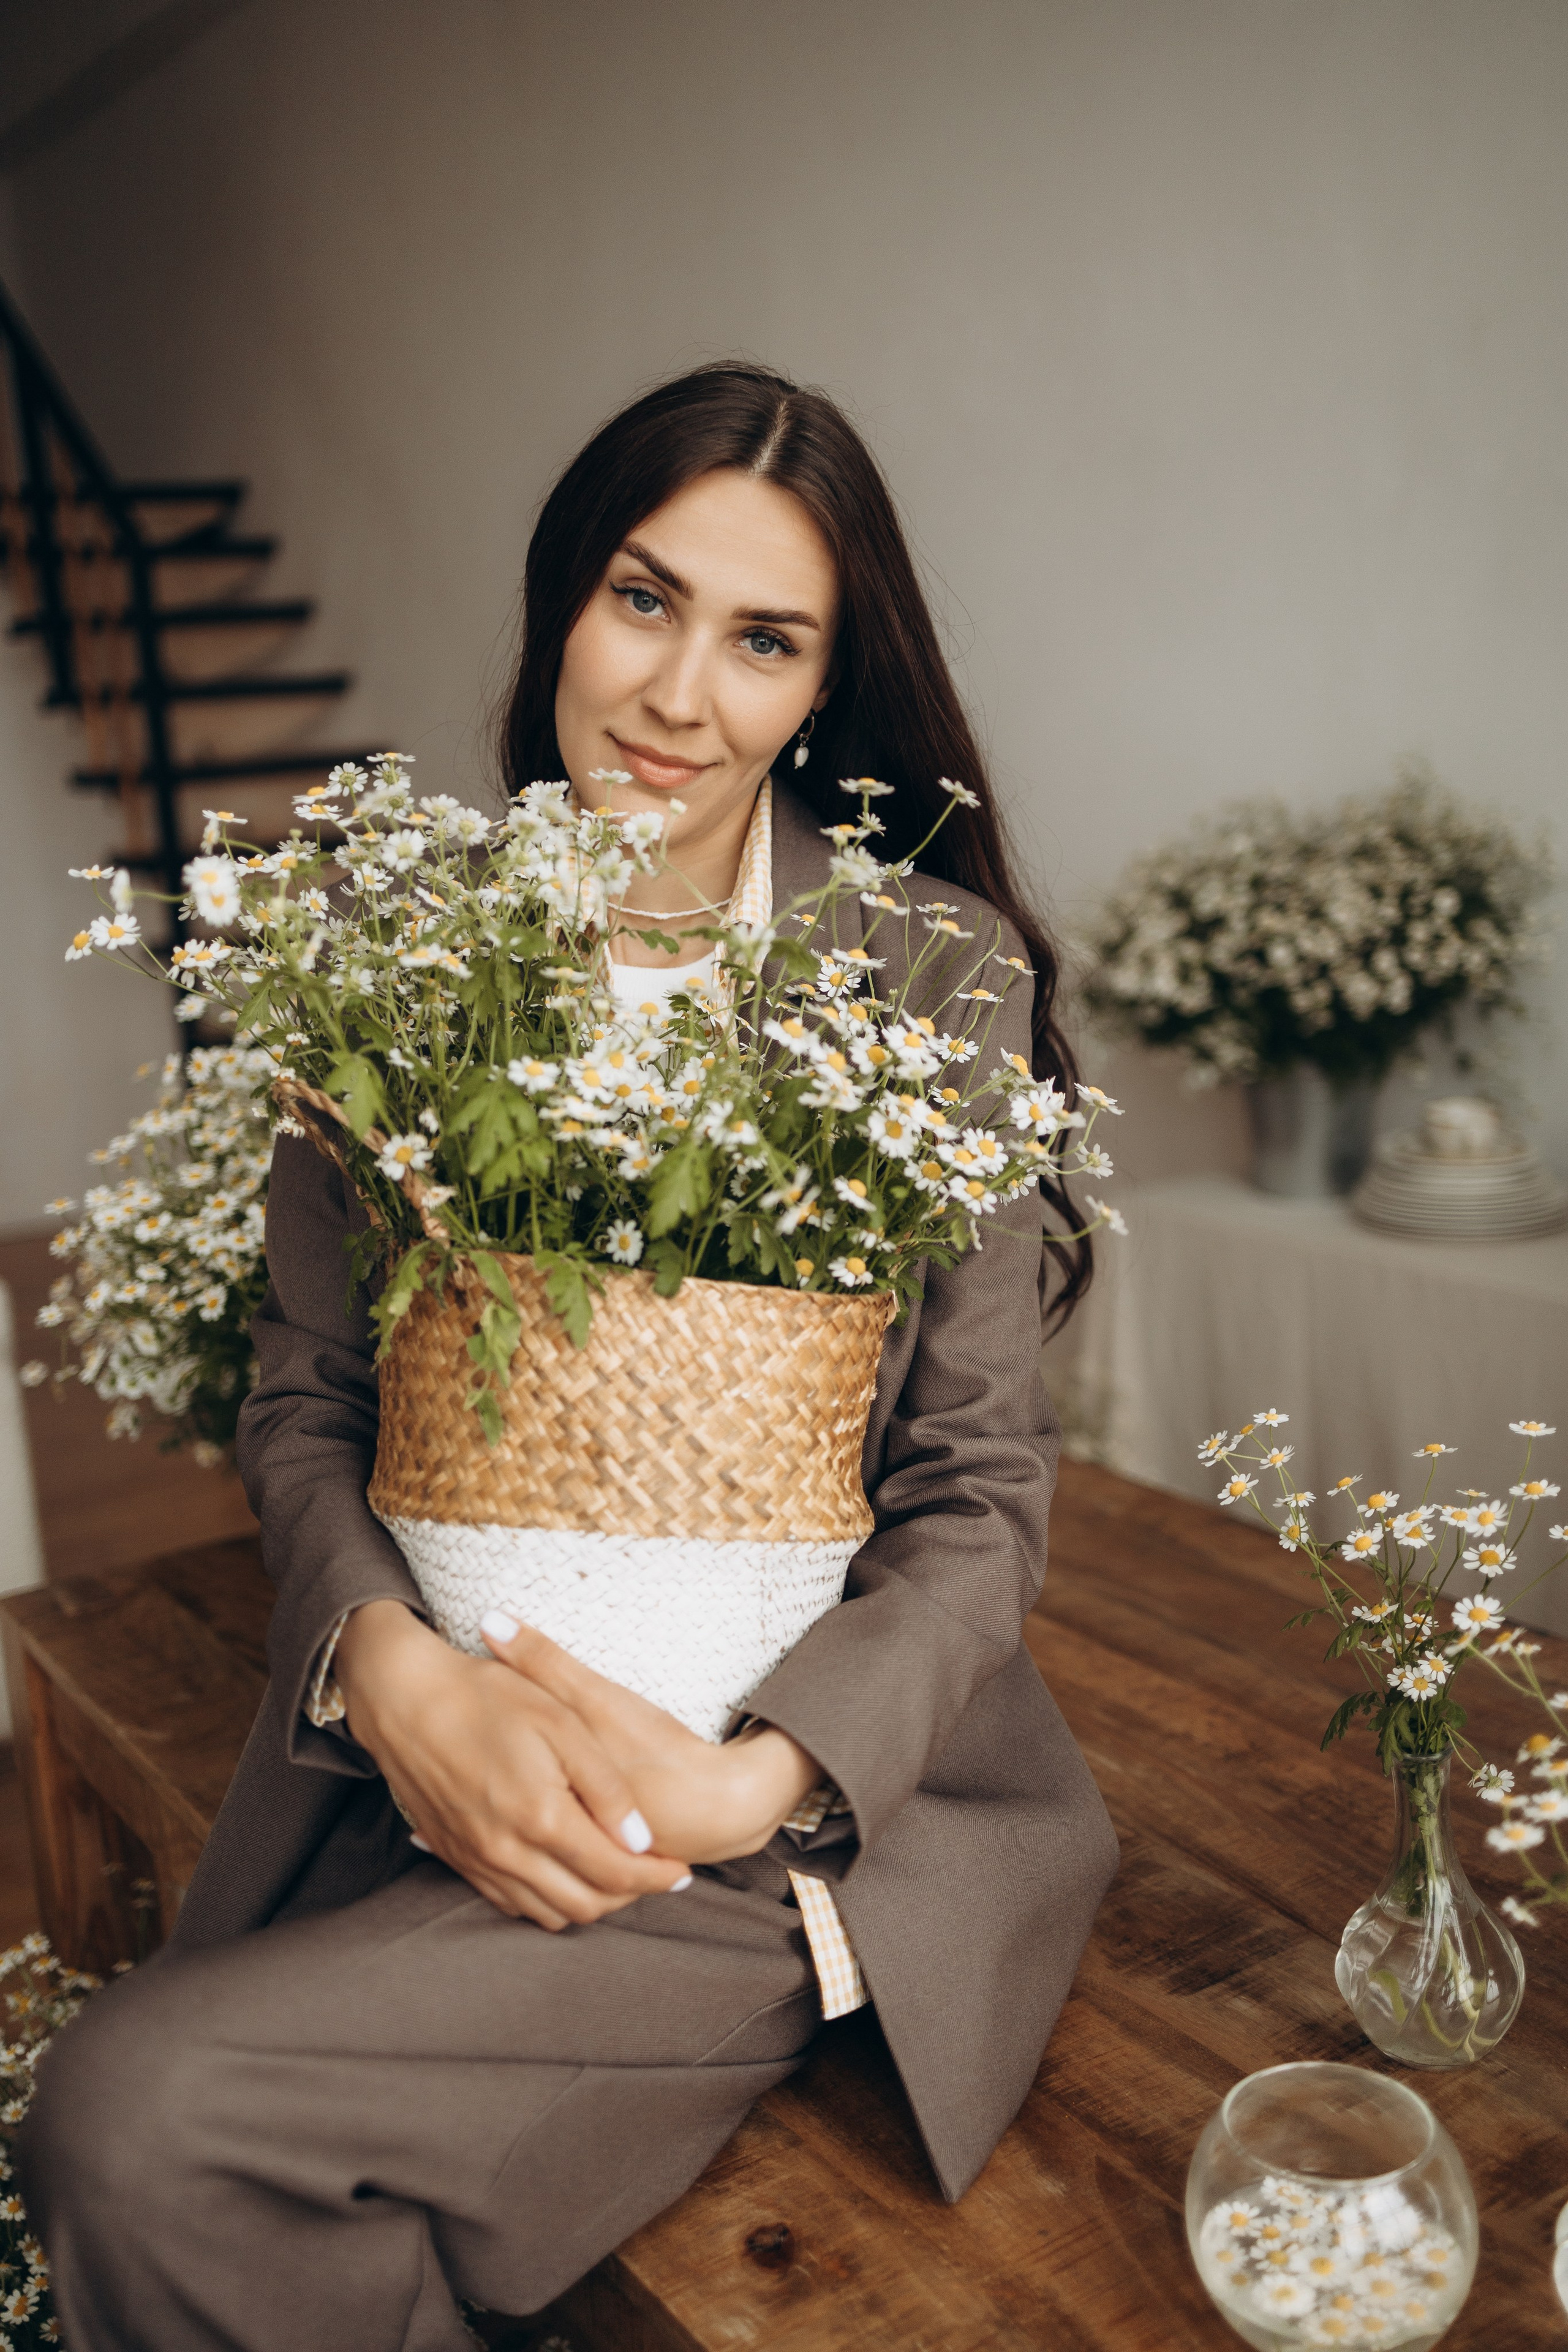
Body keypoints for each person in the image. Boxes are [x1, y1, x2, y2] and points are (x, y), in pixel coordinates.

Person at [19, 363, 1118, 2351]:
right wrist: (390, 1671)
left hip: (787, 1822)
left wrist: (757, 1786)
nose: (677, 696)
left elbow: (977, 1496)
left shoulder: (929, 969)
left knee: (131, 2118)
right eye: (642, 598)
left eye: (763, 639)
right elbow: (306, 1395)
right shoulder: (382, 934)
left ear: (821, 683)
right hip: (437, 1748)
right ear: (559, 601)